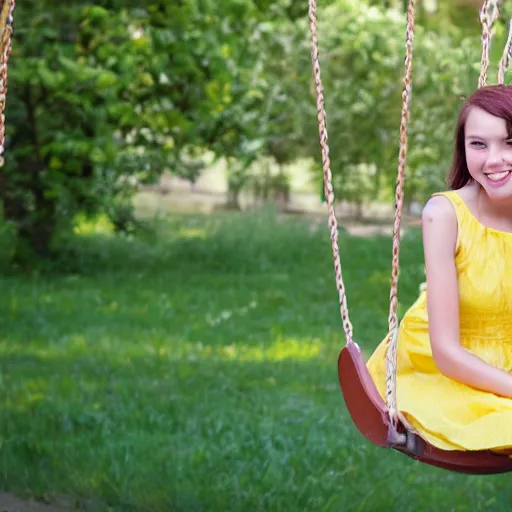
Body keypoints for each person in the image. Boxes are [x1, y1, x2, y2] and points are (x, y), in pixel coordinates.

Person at [366, 84, 512, 453]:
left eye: (509, 142)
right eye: (478, 144)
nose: (493, 159)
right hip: (448, 371)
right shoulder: (445, 215)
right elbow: (446, 351)